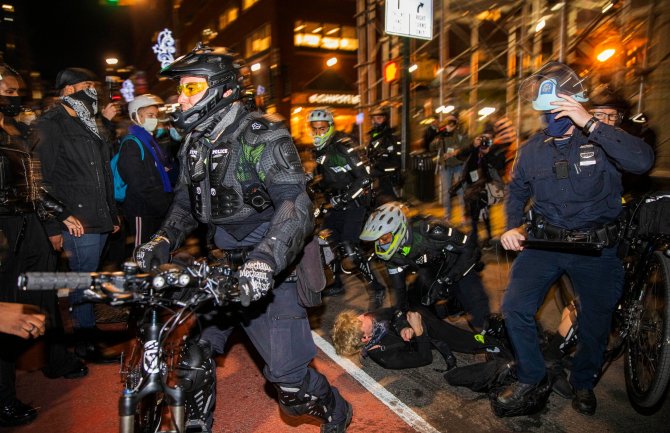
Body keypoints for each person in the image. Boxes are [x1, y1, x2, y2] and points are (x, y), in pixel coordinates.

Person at [133, 44, 352, 433]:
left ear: (224, 89)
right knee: (192, 359)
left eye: (190, 87)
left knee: (290, 384)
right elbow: (184, 205)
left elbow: (295, 203)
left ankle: (336, 408)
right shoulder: (193, 144)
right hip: (222, 268)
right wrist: (161, 241)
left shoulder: (262, 136)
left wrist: (264, 261)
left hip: (274, 267)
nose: (180, 98)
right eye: (180, 89)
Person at [495, 62, 654, 417]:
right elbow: (517, 191)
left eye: (556, 106)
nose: (550, 114)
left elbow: (642, 161)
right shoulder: (533, 149)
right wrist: (511, 225)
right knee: (515, 307)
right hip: (545, 244)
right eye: (544, 107)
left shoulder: (600, 138)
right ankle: (531, 375)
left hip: (595, 248)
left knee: (595, 321)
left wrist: (590, 122)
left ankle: (583, 382)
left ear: (573, 103)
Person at [0, 64, 88, 427]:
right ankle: (3, 398)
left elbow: (33, 183)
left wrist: (57, 212)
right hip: (3, 233)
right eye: (6, 89)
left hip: (29, 223)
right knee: (6, 310)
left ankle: (57, 359)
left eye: (15, 88)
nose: (13, 94)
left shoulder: (18, 129)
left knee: (47, 293)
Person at [32, 67, 120, 363]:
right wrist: (55, 221)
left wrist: (112, 213)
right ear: (68, 90)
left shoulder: (88, 123)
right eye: (87, 85)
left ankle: (87, 336)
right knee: (83, 281)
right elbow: (39, 177)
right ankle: (86, 342)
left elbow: (103, 173)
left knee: (90, 278)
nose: (93, 91)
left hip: (98, 217)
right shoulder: (51, 124)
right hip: (77, 221)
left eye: (94, 86)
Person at [359, 202, 490, 330]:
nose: (381, 244)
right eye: (377, 239)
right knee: (418, 308)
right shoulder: (393, 256)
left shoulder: (432, 230)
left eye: (385, 238)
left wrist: (446, 280)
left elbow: (470, 250)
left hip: (459, 266)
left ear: (399, 229)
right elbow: (398, 289)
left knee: (479, 314)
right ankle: (453, 306)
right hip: (429, 270)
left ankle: (489, 334)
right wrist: (400, 316)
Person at [309, 107, 373, 297]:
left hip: (354, 203)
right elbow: (326, 177)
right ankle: (337, 283)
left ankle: (375, 288)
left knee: (349, 248)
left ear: (330, 126)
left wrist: (344, 198)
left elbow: (364, 178)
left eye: (322, 128)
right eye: (315, 129)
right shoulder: (320, 149)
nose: (318, 132)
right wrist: (312, 185)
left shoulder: (343, 145)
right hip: (335, 204)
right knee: (324, 242)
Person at [332, 305, 505, 370]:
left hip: (415, 313)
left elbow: (395, 310)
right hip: (427, 332)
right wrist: (418, 330)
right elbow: (424, 358)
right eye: (361, 321)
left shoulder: (370, 319)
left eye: (359, 318)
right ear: (365, 339)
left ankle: (454, 305)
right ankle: (494, 343)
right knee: (458, 338)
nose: (363, 316)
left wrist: (403, 326)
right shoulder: (386, 358)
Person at [117, 94, 174, 247]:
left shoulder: (149, 141)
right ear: (136, 115)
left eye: (155, 115)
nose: (154, 119)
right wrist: (162, 204)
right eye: (150, 115)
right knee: (141, 251)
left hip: (154, 208)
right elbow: (137, 182)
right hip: (141, 210)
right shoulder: (132, 143)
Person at [452, 127, 507, 248]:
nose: (485, 142)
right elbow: (460, 155)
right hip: (472, 185)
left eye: (488, 139)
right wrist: (473, 145)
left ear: (493, 140)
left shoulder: (496, 150)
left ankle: (487, 237)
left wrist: (488, 153)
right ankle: (476, 236)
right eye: (483, 138)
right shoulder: (475, 149)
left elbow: (499, 165)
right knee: (474, 212)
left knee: (484, 211)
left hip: (487, 185)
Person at [430, 114, 468, 222]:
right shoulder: (441, 135)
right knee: (446, 192)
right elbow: (432, 147)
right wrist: (436, 141)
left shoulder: (460, 134)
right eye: (448, 123)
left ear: (456, 124)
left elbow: (466, 146)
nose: (450, 125)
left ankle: (464, 215)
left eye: (452, 123)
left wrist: (456, 152)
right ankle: (447, 217)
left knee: (461, 191)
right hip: (445, 166)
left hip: (459, 165)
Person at [366, 106, 401, 204]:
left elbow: (395, 157)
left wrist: (383, 155)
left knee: (390, 201)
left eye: (379, 118)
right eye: (374, 119)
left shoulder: (390, 135)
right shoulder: (374, 134)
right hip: (377, 172)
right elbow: (370, 151)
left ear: (385, 119)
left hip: (387, 174)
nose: (376, 121)